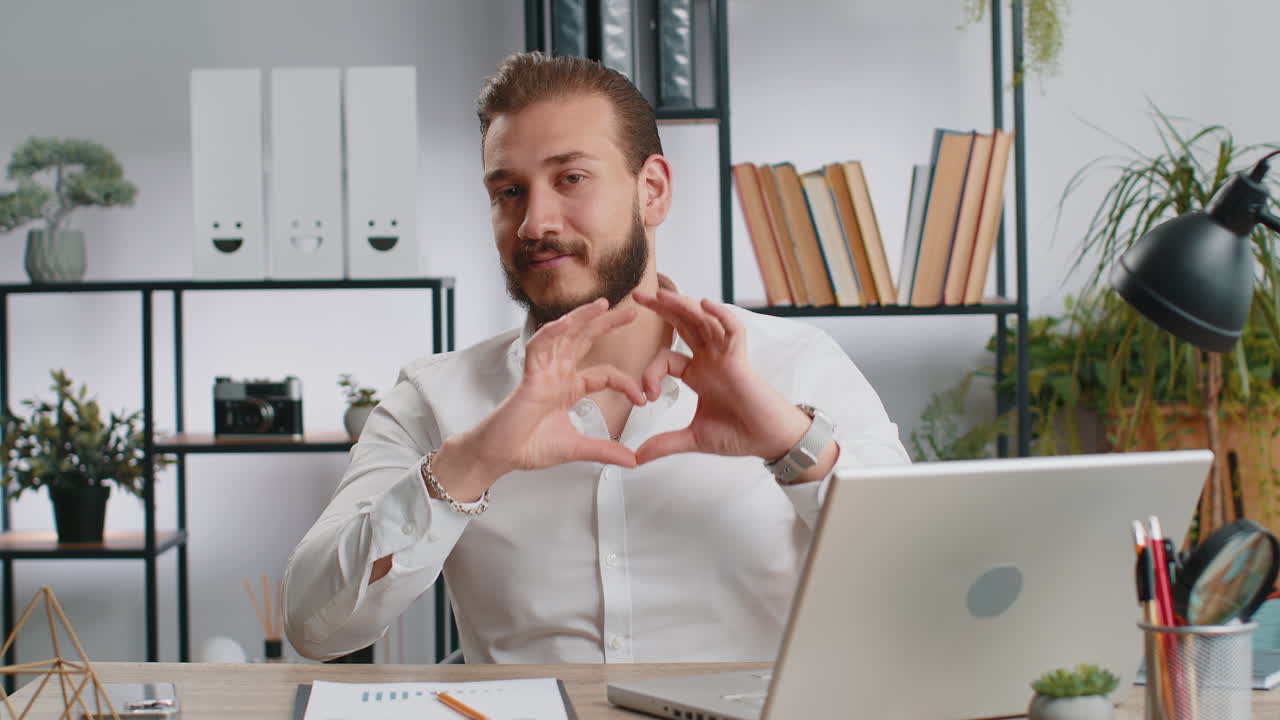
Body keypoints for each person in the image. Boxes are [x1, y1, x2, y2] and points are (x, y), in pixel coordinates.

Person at [283, 51, 908, 665]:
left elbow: (924, 582)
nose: (533, 221)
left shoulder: (795, 363)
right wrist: (471, 463)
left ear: (653, 191)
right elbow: (315, 625)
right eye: (508, 191)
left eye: (570, 179)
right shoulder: (434, 398)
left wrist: (790, 444)